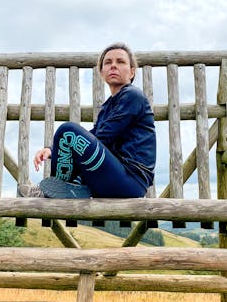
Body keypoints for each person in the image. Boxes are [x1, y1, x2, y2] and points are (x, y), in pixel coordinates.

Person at [20, 43, 156, 199]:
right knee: (70, 137)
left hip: (130, 181)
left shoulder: (132, 95)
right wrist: (52, 150)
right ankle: (66, 188)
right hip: (111, 177)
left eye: (120, 62)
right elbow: (95, 137)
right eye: (108, 62)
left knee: (67, 132)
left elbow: (102, 138)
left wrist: (61, 148)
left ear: (132, 72)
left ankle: (53, 190)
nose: (113, 66)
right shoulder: (108, 106)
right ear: (101, 72)